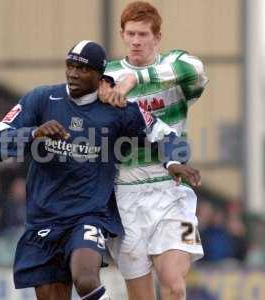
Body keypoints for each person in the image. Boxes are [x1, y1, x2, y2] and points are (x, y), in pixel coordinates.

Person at [0, 40, 200, 300]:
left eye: (83, 68)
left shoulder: (116, 109)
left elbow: (162, 131)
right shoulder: (41, 99)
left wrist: (172, 161)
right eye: (70, 65)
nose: (74, 73)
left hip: (88, 215)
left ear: (101, 76)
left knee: (86, 279)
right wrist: (33, 133)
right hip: (43, 219)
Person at [99, 2, 208, 300]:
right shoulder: (107, 75)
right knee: (141, 295)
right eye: (130, 34)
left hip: (172, 190)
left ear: (157, 37)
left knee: (173, 284)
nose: (136, 41)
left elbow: (196, 70)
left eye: (143, 34)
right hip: (124, 195)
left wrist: (137, 78)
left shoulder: (176, 66)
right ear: (121, 34)